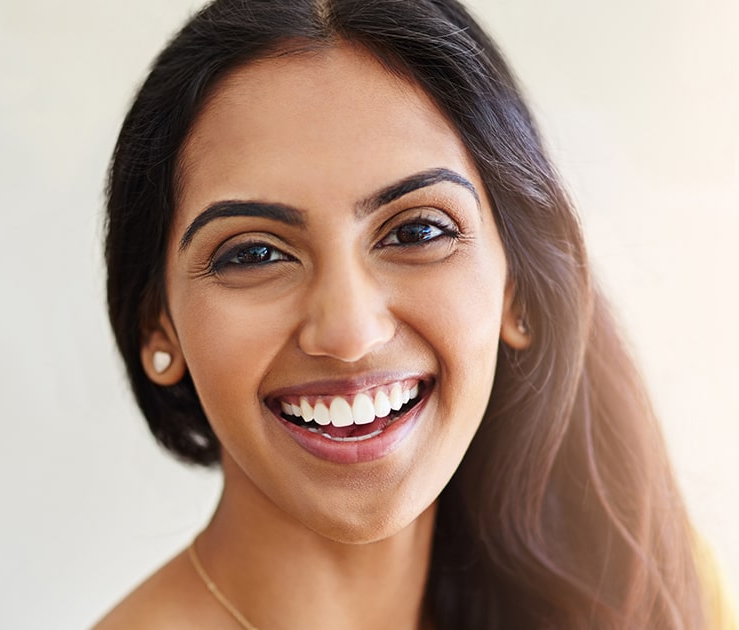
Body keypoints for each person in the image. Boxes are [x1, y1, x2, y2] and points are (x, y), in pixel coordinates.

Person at [95, 0, 731, 627]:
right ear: (161, 324)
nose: (349, 333)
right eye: (255, 253)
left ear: (519, 290)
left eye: (418, 233)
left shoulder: (651, 594)